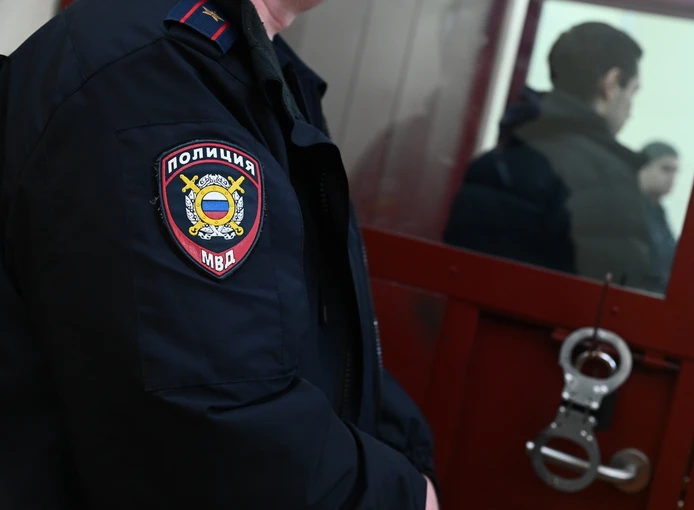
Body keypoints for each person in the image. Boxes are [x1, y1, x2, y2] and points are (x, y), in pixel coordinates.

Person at [0, 0, 439, 509]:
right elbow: (209, 426)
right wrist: (399, 496)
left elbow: (314, 338)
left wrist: (404, 459)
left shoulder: (253, 68)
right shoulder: (155, 74)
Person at [445, 23, 660, 291]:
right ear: (612, 83)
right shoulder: (609, 178)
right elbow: (619, 296)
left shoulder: (497, 159)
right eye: (633, 92)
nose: (631, 110)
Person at [638, 141, 680, 291]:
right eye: (666, 169)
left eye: (675, 171)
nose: (672, 178)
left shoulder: (659, 213)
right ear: (643, 167)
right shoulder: (626, 208)